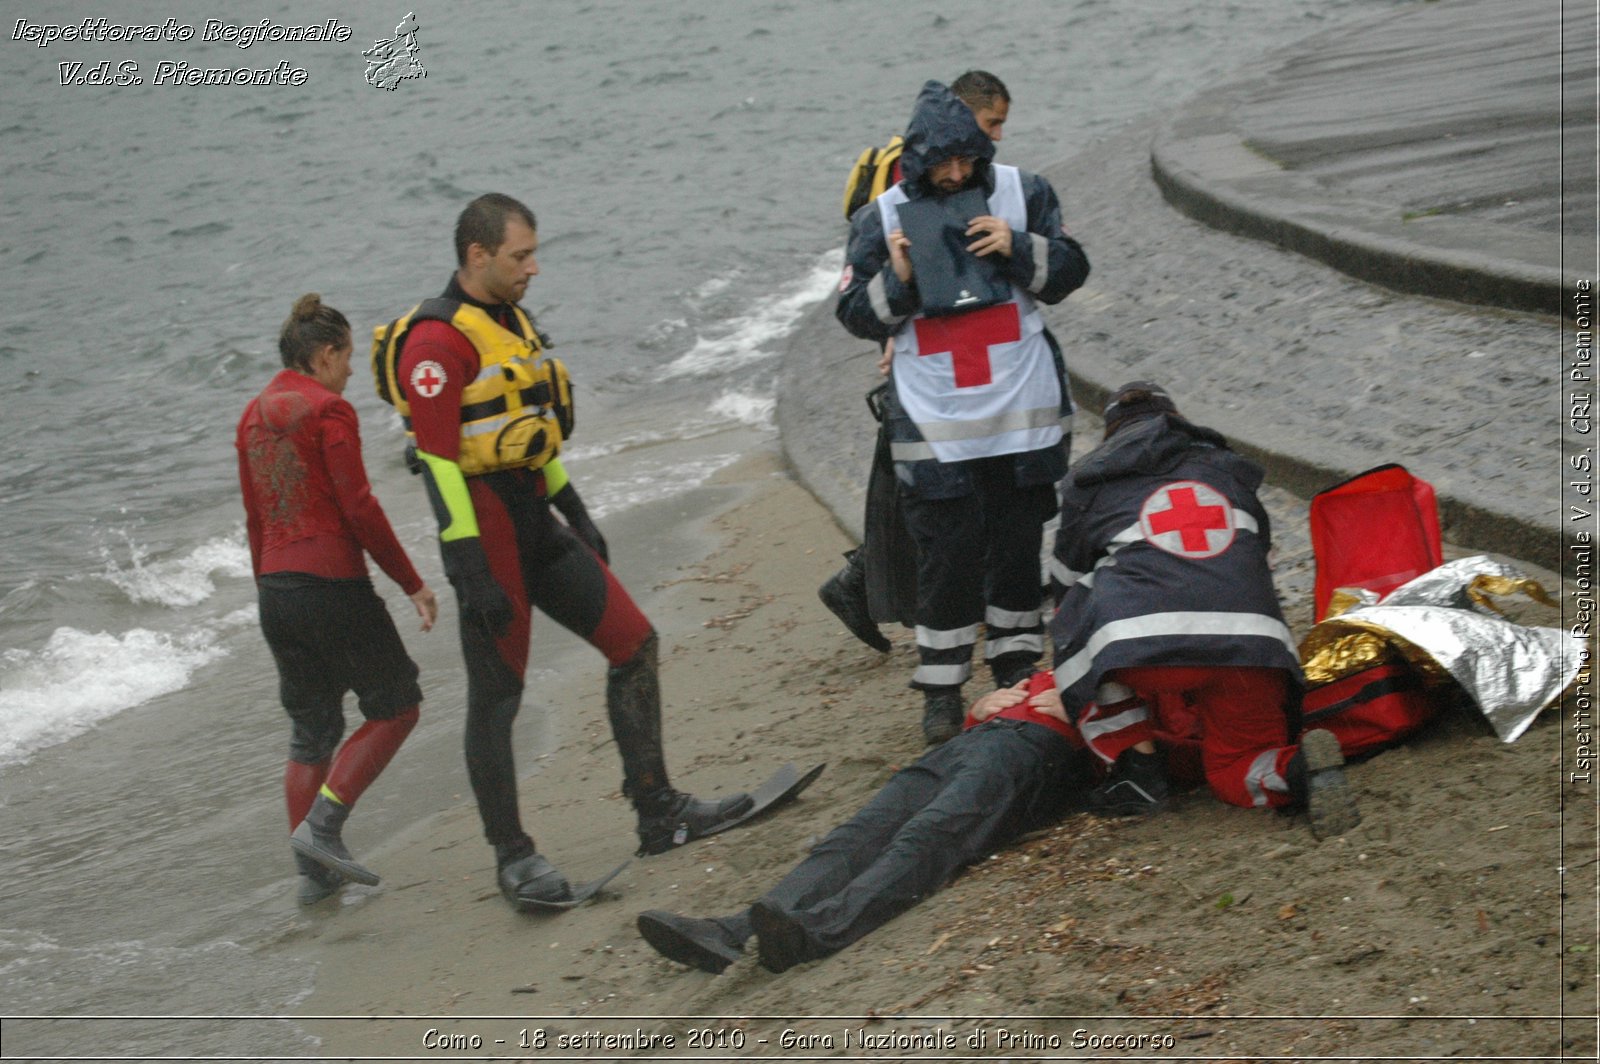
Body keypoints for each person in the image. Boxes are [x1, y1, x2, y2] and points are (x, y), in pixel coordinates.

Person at [372, 194, 753, 909]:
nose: (534, 268)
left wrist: (573, 509)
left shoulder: (509, 322)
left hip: (536, 520)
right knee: (498, 697)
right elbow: (440, 462)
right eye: (521, 256)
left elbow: (528, 429)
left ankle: (658, 810)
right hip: (484, 534)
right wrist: (466, 566)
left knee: (634, 643)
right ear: (478, 256)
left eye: (534, 252)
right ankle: (513, 859)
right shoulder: (434, 344)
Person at [835, 80, 1091, 744]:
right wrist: (901, 281)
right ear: (918, 158)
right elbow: (854, 315)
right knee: (945, 558)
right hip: (934, 421)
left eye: (965, 160)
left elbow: (1069, 272)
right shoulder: (879, 218)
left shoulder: (1024, 192)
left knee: (1014, 551)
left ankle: (1016, 674)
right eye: (942, 163)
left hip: (1021, 413)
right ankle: (941, 692)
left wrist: (1016, 246)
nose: (955, 174)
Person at [1050, 382, 1359, 838]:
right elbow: (1256, 557)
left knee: (1077, 612)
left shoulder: (1090, 481)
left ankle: (1137, 770)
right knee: (1235, 768)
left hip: (1148, 655)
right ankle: (1297, 771)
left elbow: (1062, 582)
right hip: (1253, 647)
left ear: (1110, 433)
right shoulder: (1231, 471)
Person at [636, 672, 1089, 975]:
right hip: (976, 741)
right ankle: (735, 931)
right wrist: (979, 709)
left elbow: (1151, 748)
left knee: (931, 833)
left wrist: (1094, 719)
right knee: (857, 835)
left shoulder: (1126, 664)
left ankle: (818, 929)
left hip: (1035, 753)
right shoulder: (1077, 648)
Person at [236, 294, 439, 905]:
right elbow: (359, 508)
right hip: (332, 587)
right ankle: (324, 828)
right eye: (348, 356)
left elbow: (253, 518)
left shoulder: (250, 416)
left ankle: (315, 878)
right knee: (397, 705)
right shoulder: (329, 409)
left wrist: (269, 588)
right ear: (324, 355)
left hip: (276, 591)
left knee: (310, 732)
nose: (352, 370)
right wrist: (411, 582)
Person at [823, 71, 1014, 654]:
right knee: (915, 496)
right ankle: (859, 584)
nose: (998, 138)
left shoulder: (960, 165)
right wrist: (891, 331)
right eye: (992, 124)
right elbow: (879, 252)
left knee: (925, 495)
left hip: (941, 351)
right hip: (915, 357)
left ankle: (873, 584)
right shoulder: (906, 172)